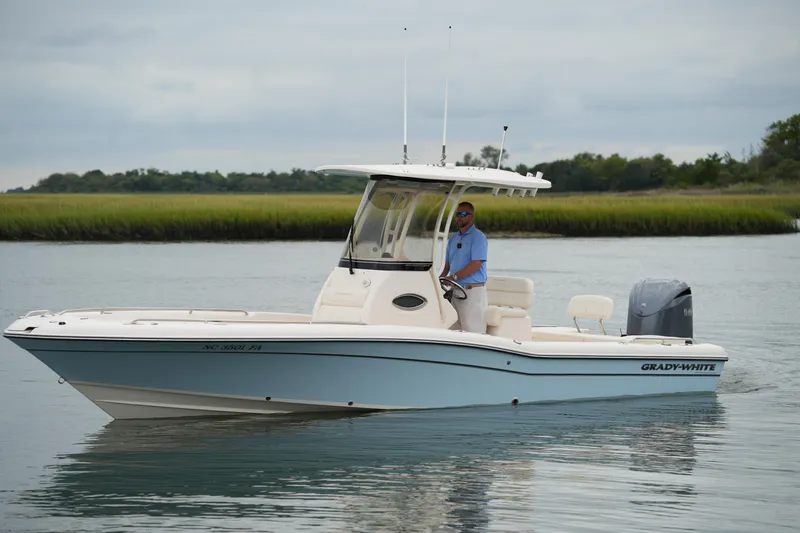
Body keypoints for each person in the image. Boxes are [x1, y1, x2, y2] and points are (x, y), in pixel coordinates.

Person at [440, 201, 488, 333]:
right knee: (452, 328)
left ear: (471, 217)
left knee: (473, 331)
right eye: (457, 214)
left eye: (463, 214)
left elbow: (476, 264)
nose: (459, 217)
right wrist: (441, 278)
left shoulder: (478, 237)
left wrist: (453, 277)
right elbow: (448, 264)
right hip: (455, 290)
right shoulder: (453, 238)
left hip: (472, 291)